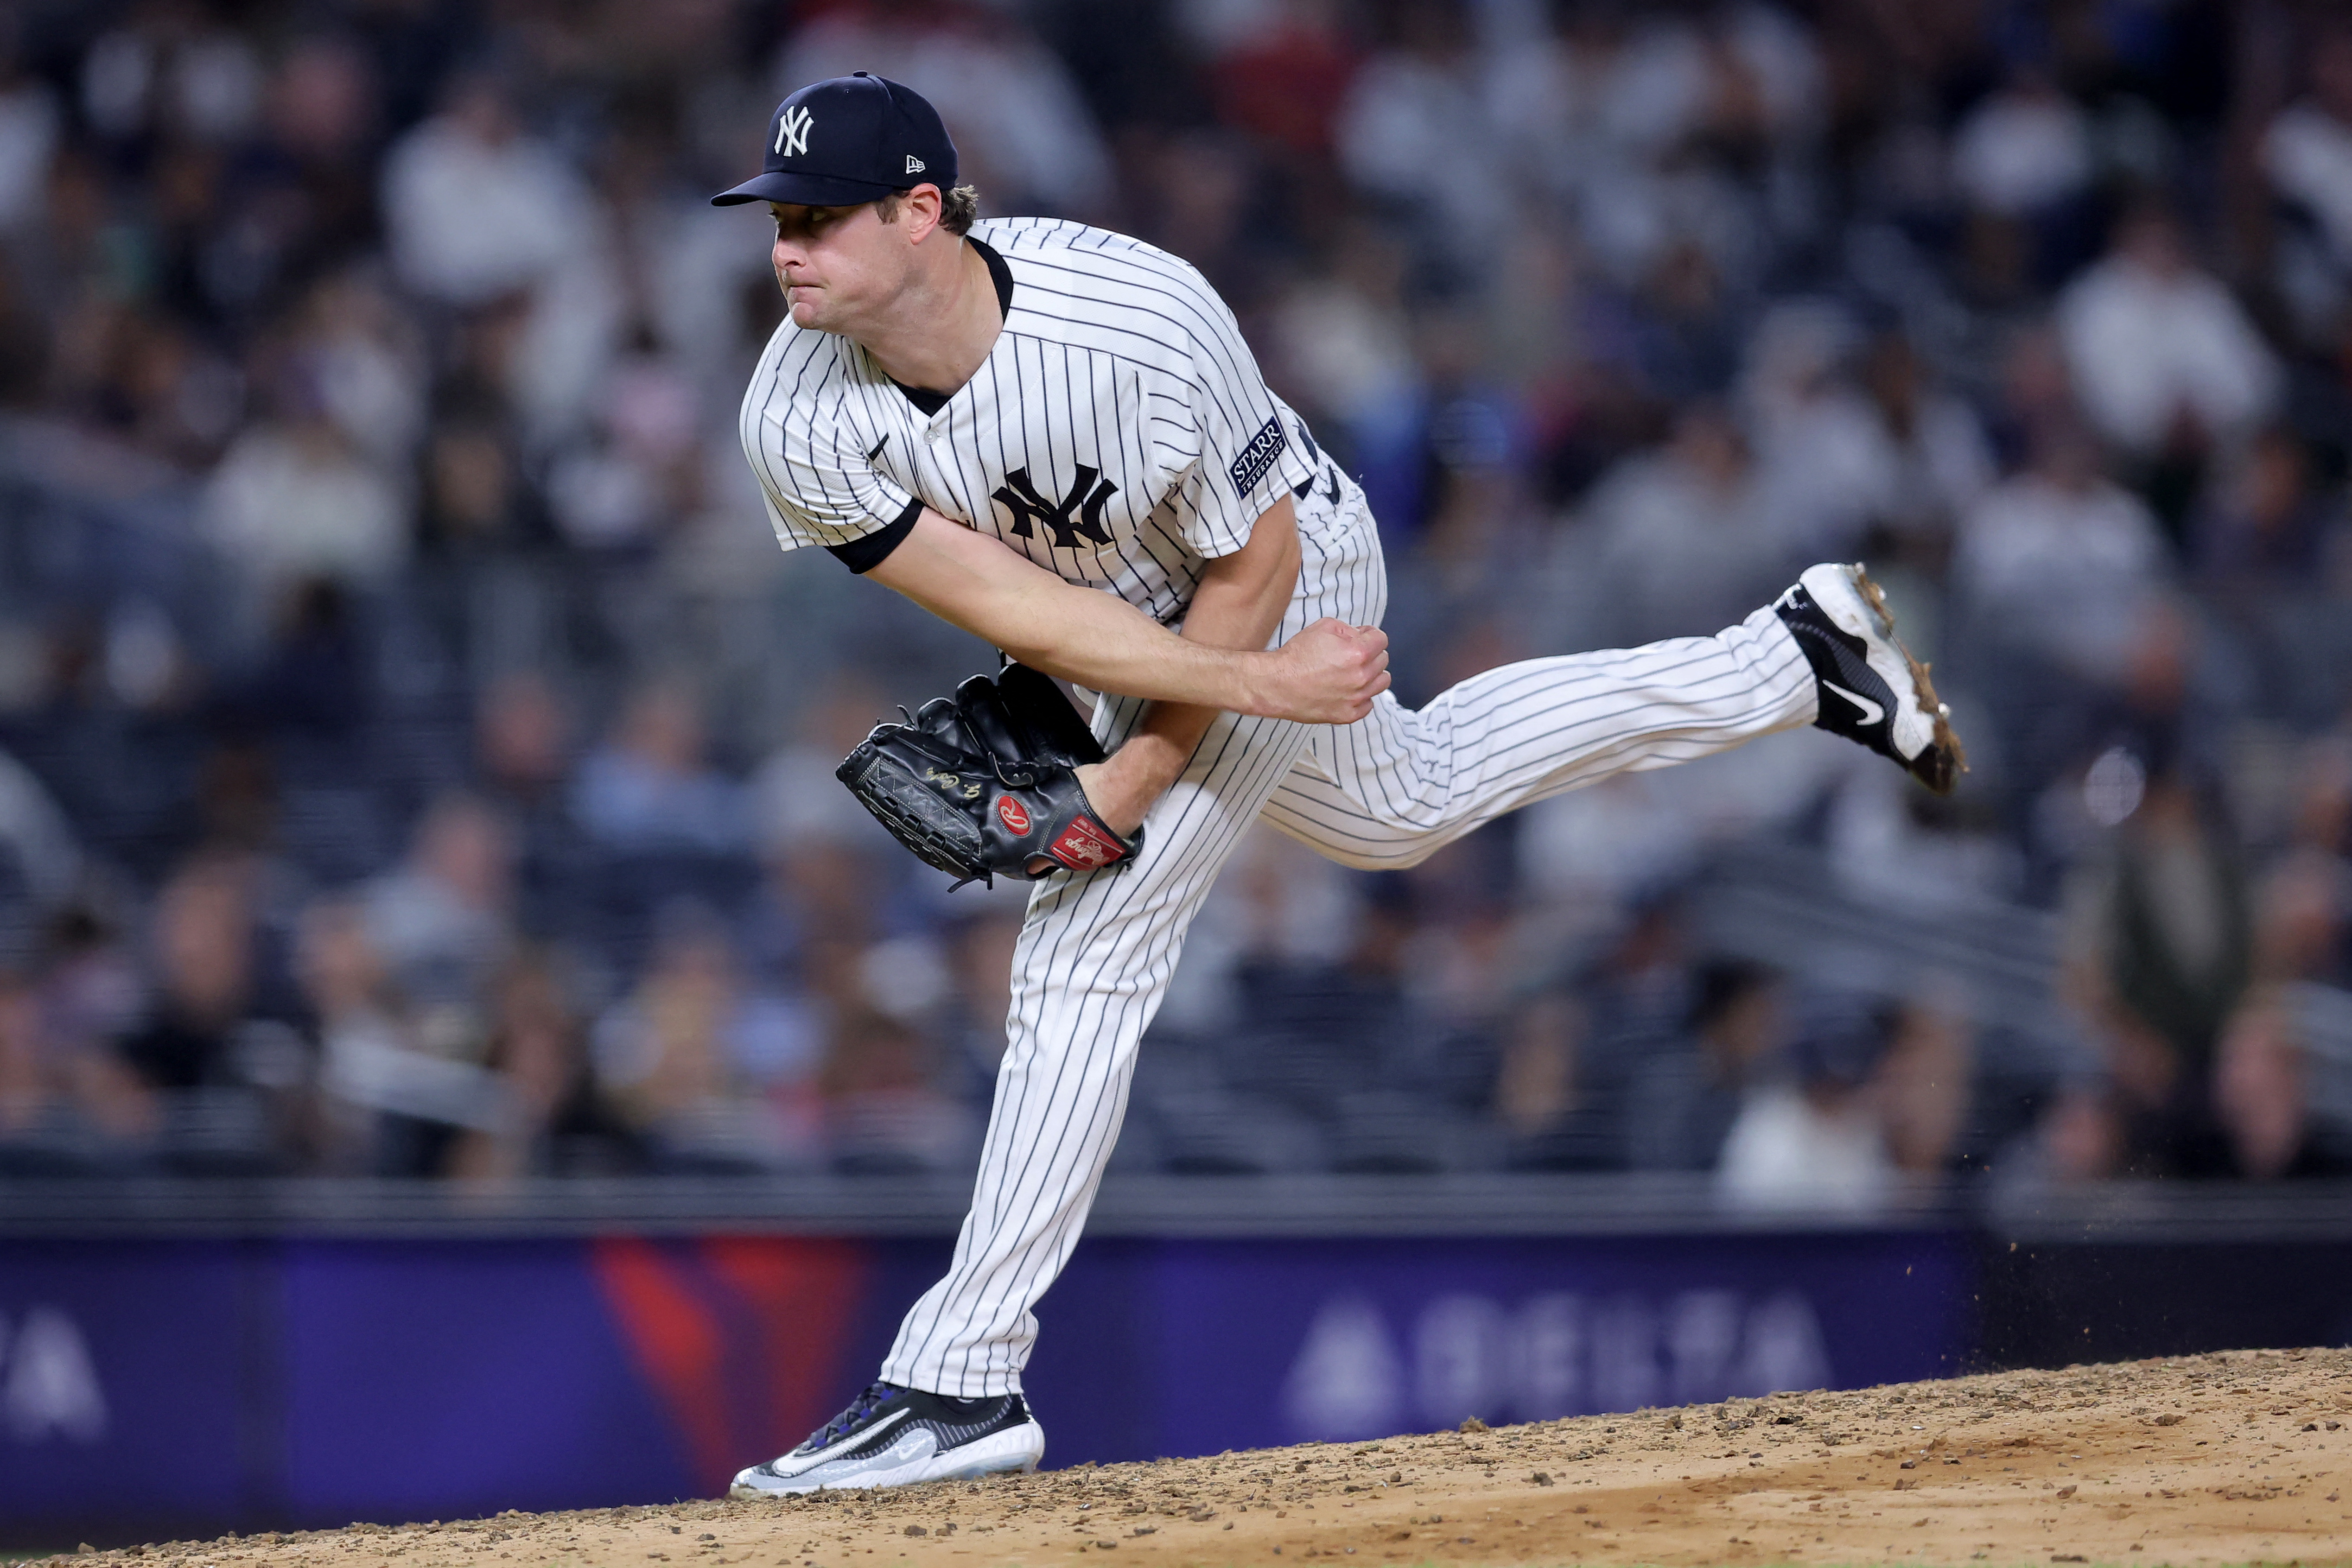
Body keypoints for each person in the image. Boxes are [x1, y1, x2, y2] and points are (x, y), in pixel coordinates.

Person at [715, 72, 1961, 1496]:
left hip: (1284, 567)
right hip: (1136, 631)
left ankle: (962, 1375)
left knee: (1088, 943)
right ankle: (1792, 660)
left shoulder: (1135, 319)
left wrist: (1137, 773)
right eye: (776, 217)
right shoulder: (794, 412)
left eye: (816, 216)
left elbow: (1254, 572)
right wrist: (1141, 727)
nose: (785, 247)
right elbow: (1026, 610)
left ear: (922, 212)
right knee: (1401, 803)